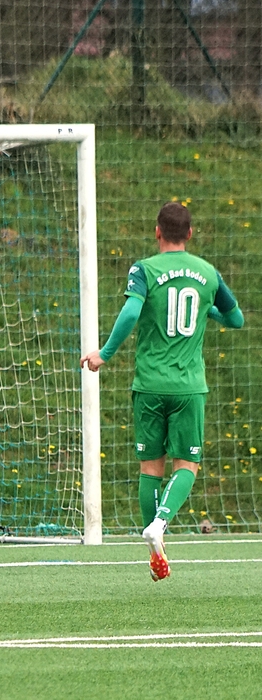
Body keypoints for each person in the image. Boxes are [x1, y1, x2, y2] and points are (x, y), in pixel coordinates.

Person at [81, 202, 243, 581]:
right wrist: (207, 310)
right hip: (189, 388)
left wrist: (104, 354)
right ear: (190, 234)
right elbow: (235, 318)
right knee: (186, 465)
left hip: (149, 385)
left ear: (157, 232)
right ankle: (161, 523)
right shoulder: (208, 273)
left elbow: (131, 312)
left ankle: (156, 550)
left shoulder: (144, 269)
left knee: (150, 468)